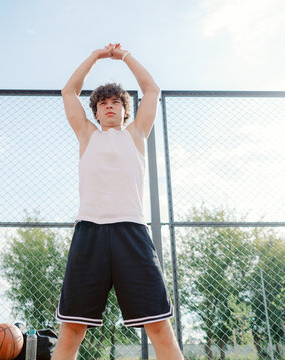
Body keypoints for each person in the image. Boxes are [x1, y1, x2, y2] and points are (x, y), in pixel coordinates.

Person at [53, 43, 184, 360]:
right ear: (95, 112)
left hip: (131, 233)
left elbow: (151, 89)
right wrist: (96, 56)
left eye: (116, 102)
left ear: (127, 111)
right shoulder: (87, 135)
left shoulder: (136, 134)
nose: (109, 106)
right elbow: (69, 91)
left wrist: (124, 56)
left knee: (159, 327)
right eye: (103, 103)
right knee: (72, 330)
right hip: (90, 234)